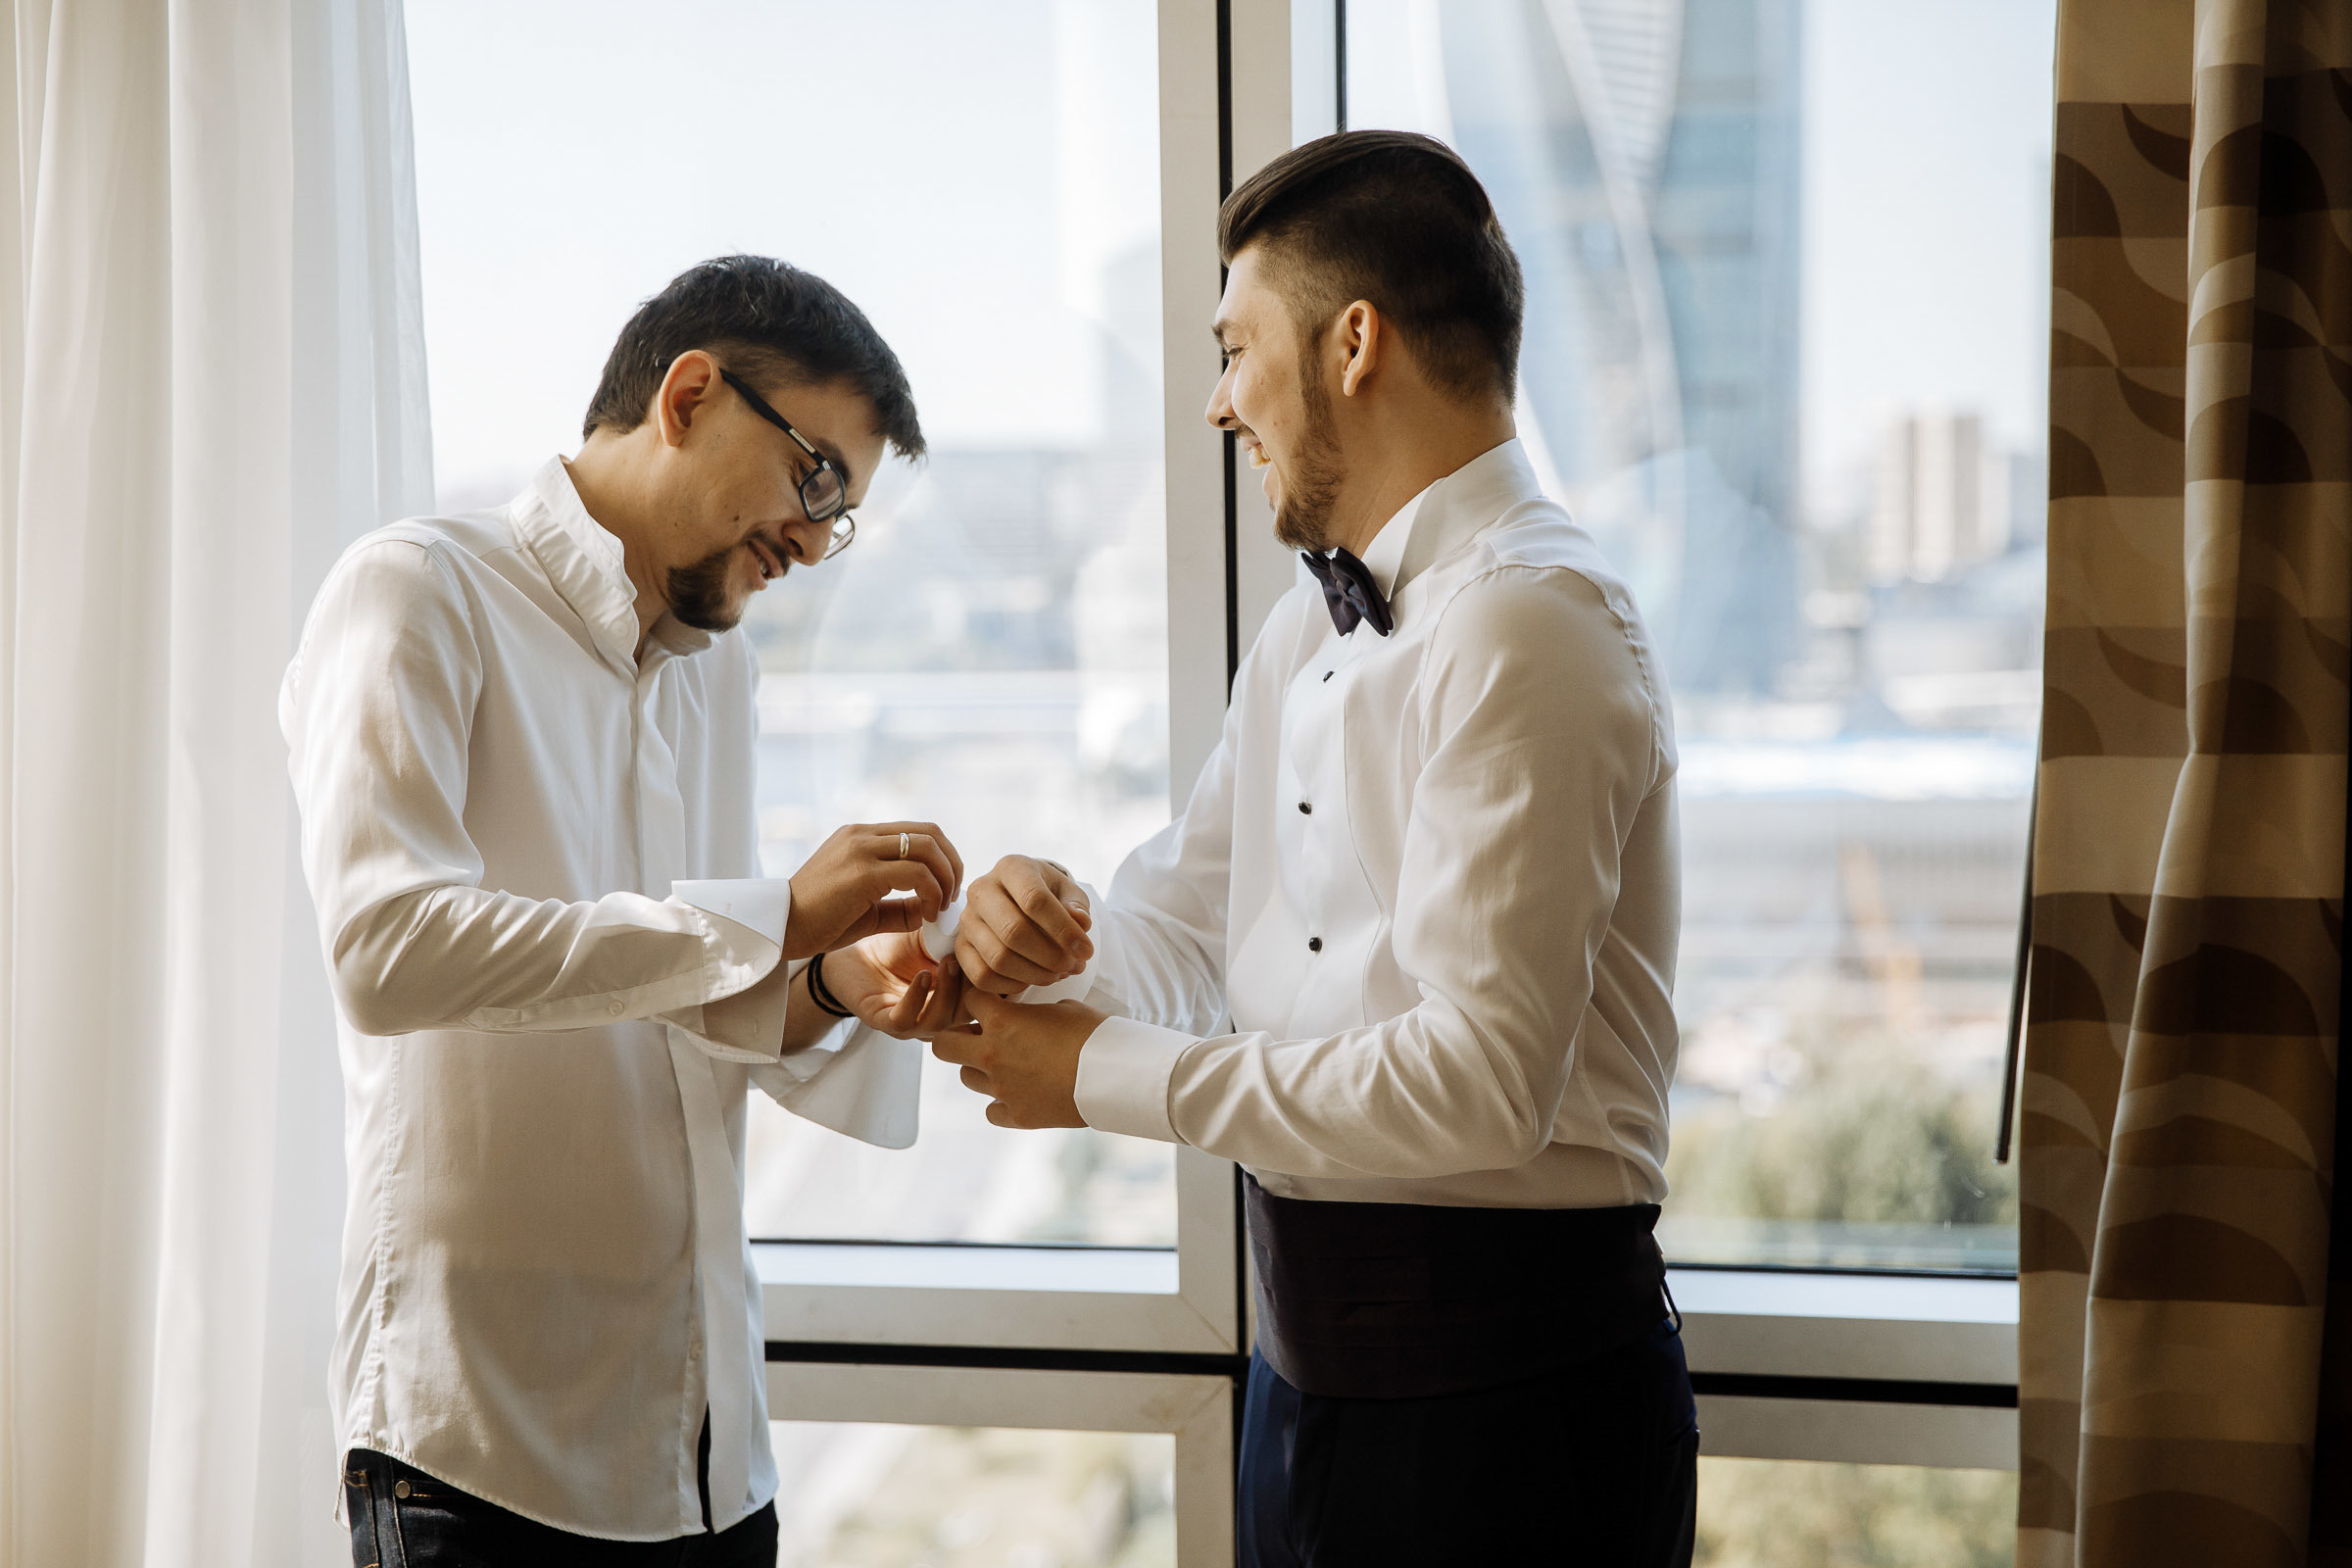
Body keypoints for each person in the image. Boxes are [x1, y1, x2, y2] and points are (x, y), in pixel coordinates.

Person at [932, 133, 1696, 1564]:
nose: (1222, 403)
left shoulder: (1531, 623)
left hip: (1511, 1425)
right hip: (1306, 1389)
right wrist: (1039, 933)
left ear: (1355, 343)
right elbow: (1191, 925)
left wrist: (1100, 1074)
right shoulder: (1306, 625)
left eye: (1236, 349)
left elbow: (1481, 1086)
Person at [283, 256, 971, 1565]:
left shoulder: (723, 673)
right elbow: (387, 952)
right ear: (691, 394)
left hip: (714, 1457)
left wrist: (832, 978)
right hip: (481, 1454)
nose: (814, 542)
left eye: (841, 518)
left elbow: (691, 1003)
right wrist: (772, 912)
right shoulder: (419, 592)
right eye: (815, 479)